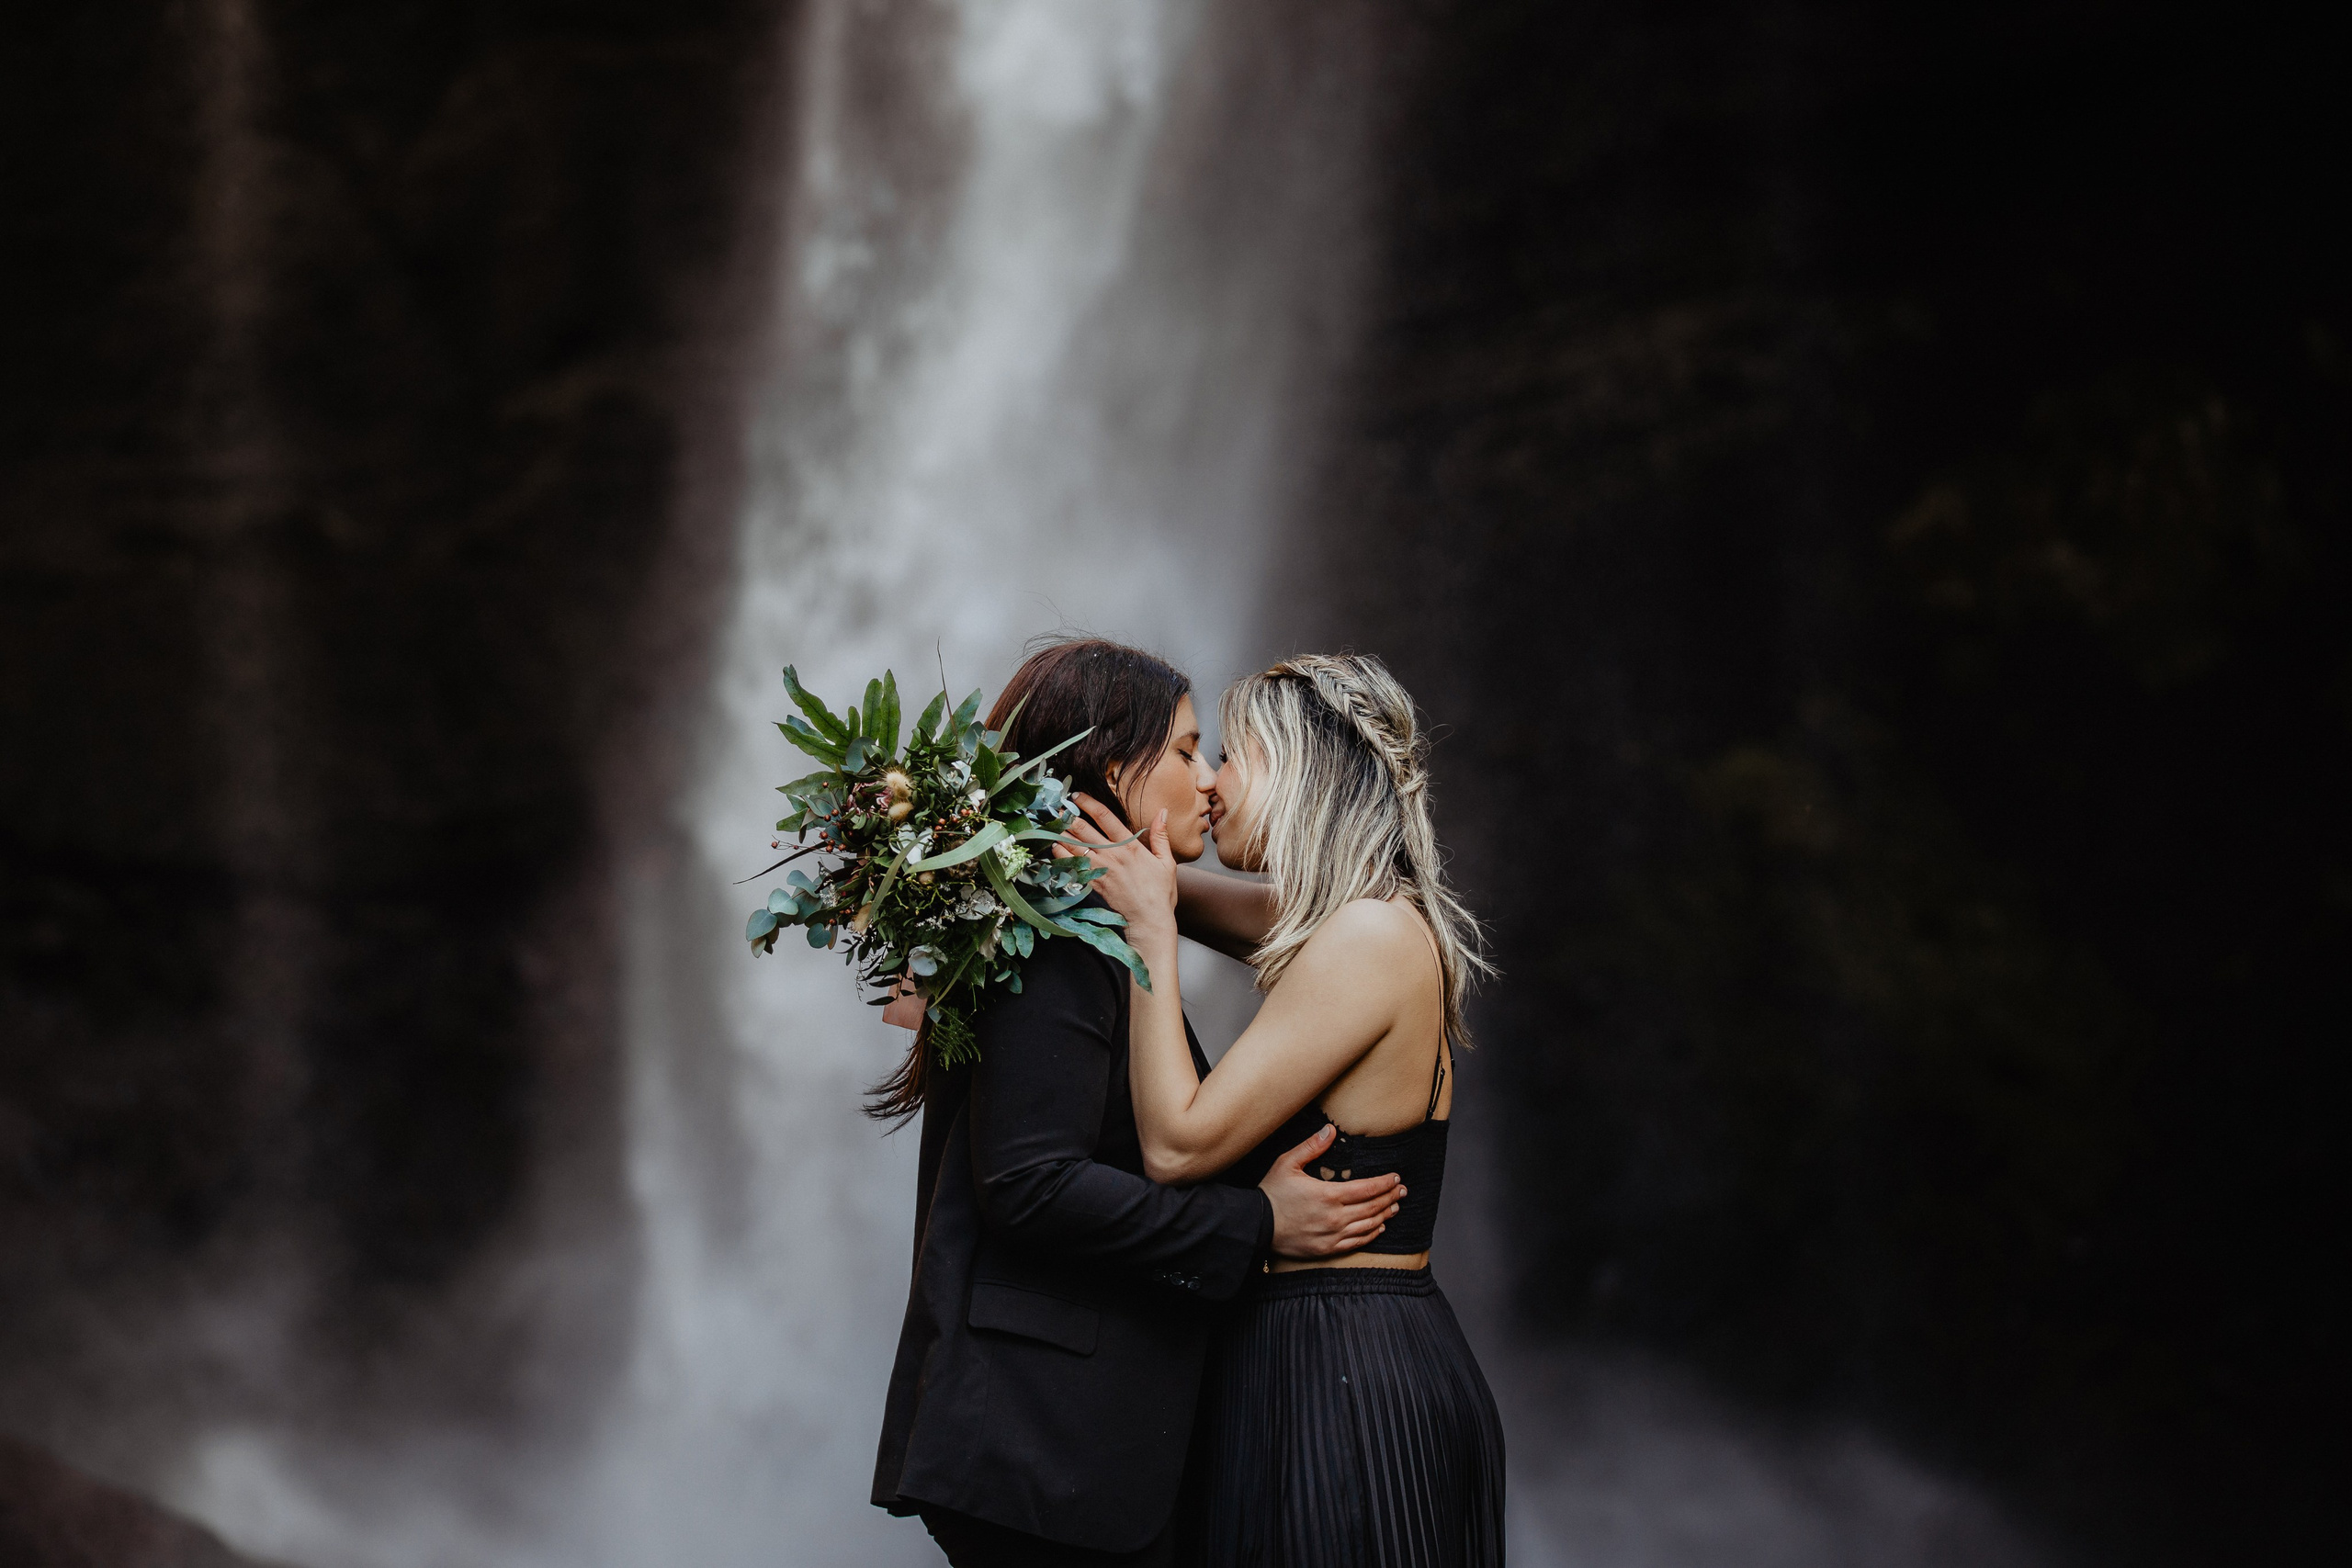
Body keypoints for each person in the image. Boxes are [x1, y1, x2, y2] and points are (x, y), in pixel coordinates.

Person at [870, 638, 1410, 1568]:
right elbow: (1031, 1185)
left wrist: (1145, 897)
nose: (1209, 782)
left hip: (1059, 1440)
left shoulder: (1059, 918)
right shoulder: (1052, 946)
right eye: (1189, 751)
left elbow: (1319, 916)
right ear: (1116, 767)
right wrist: (1255, 1225)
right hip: (1042, 1441)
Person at [1069, 651, 1506, 1568]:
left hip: (1344, 1374)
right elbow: (1164, 887)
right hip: (1321, 1354)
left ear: (1302, 767)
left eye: (1233, 756)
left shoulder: (1369, 937)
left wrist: (1148, 939)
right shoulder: (1353, 920)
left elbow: (1178, 1146)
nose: (1211, 783)